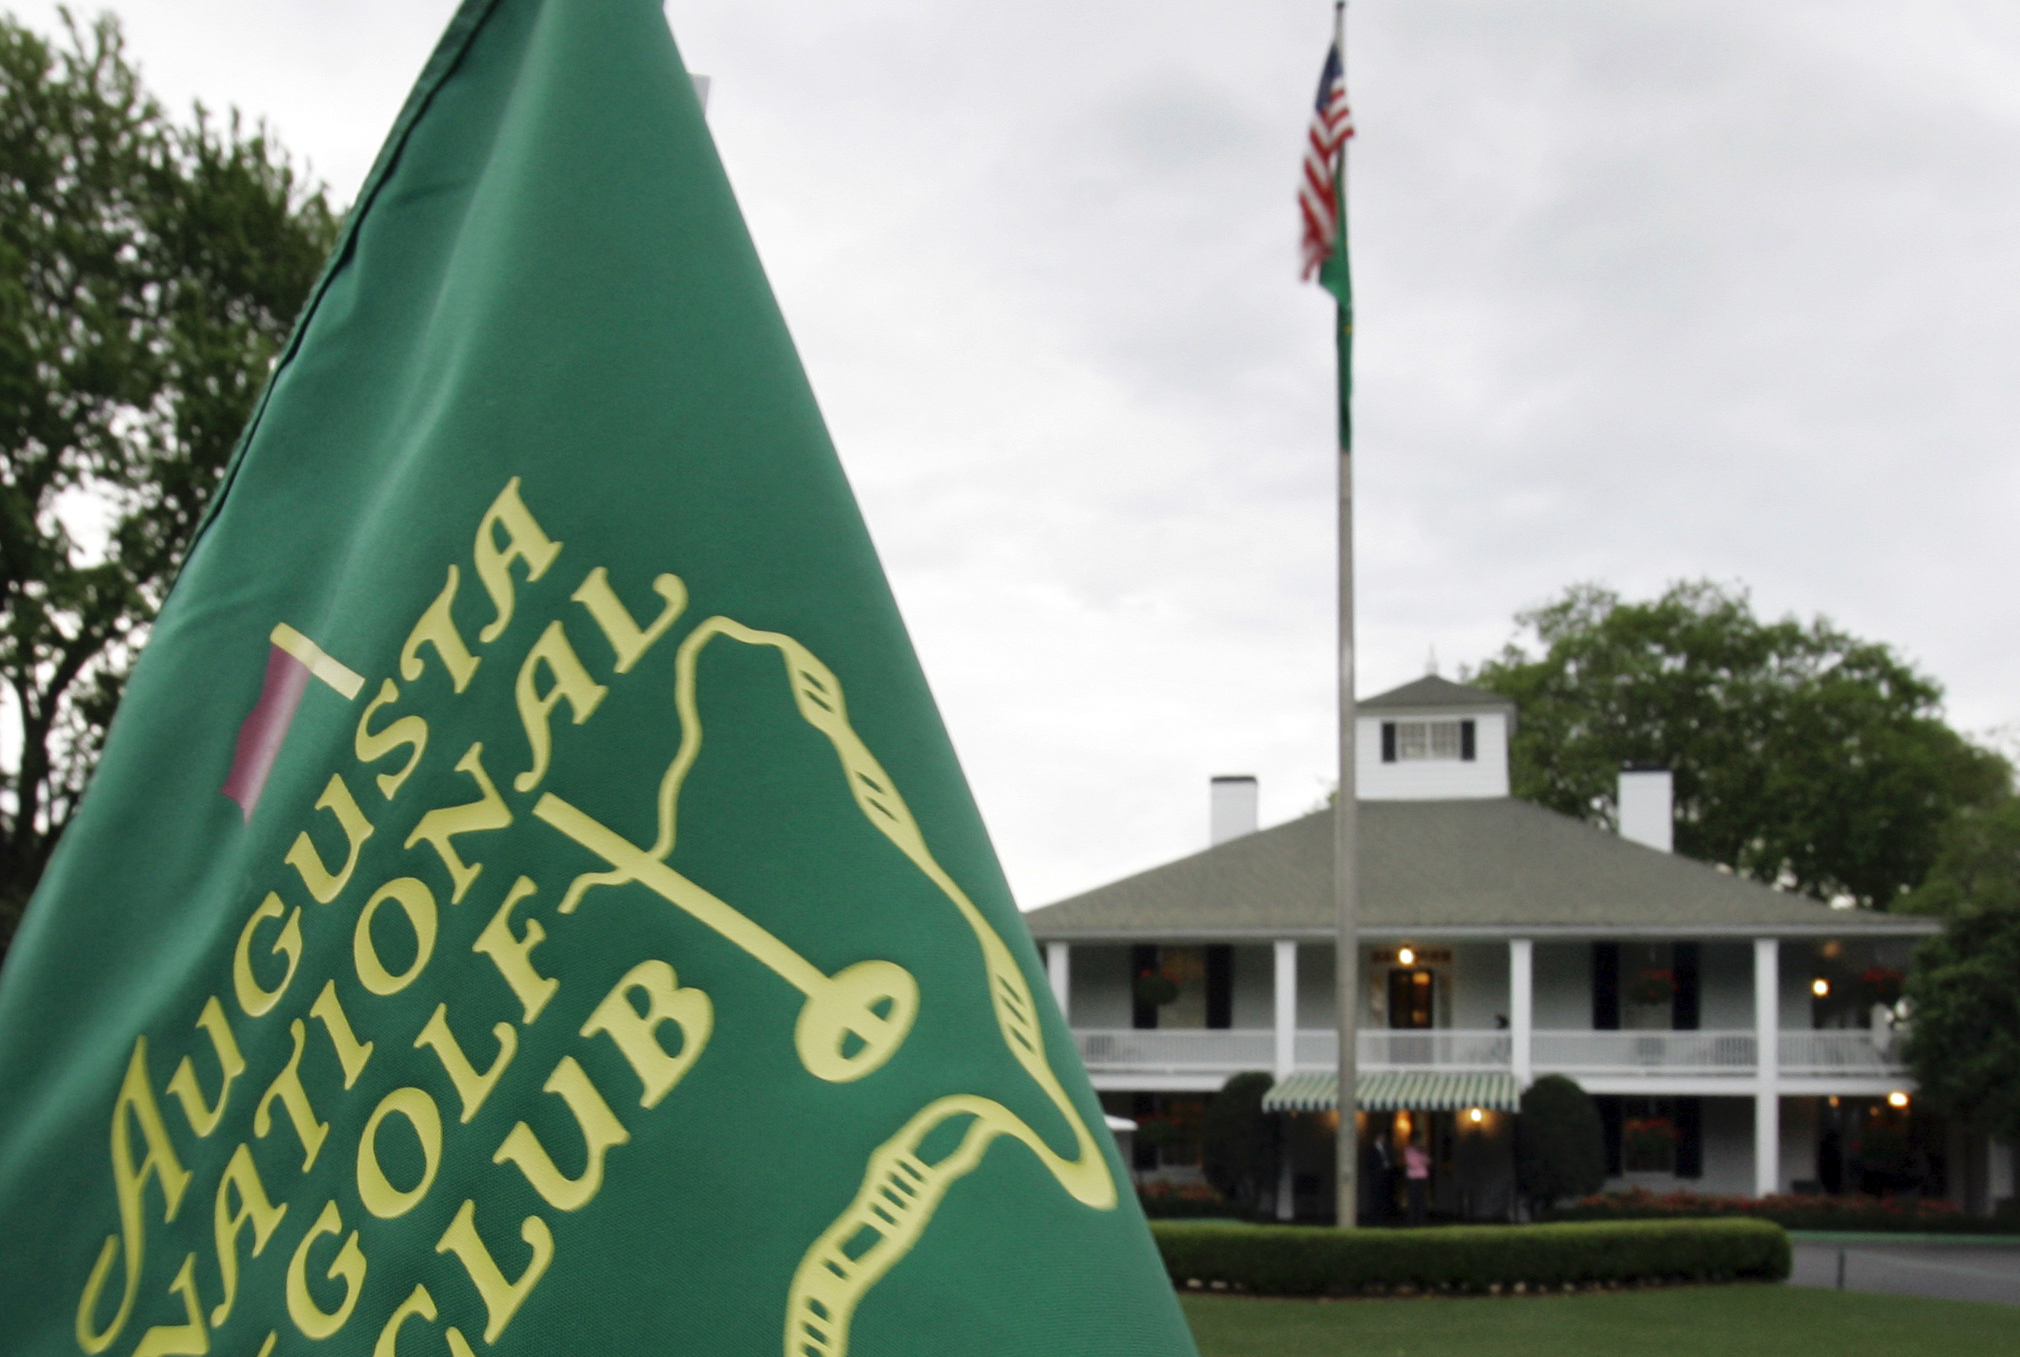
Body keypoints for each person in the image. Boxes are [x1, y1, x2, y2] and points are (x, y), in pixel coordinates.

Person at [1404, 1135, 1431, 1226]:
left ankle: (1421, 1221)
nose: (1419, 1143)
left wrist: (1421, 1161)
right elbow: (1411, 1163)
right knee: (1413, 1200)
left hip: (1422, 1177)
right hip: (1413, 1178)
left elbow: (1428, 1161)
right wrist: (1421, 1162)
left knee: (1421, 1200)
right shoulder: (1409, 1151)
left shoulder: (1422, 1151)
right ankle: (1412, 1222)